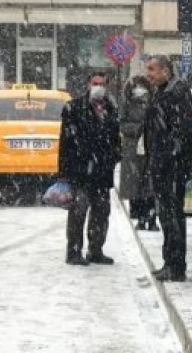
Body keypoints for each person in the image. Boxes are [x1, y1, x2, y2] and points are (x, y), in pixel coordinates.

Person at [58, 71, 121, 266]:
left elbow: (114, 138)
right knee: (79, 211)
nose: (98, 87)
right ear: (87, 84)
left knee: (102, 211)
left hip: (102, 171)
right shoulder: (74, 107)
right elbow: (66, 142)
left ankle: (96, 250)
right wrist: (64, 173)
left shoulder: (111, 108)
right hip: (80, 170)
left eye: (102, 84)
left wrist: (114, 156)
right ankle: (74, 251)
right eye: (95, 83)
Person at [144, 55, 192, 282]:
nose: (149, 74)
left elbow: (180, 131)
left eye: (152, 70)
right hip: (161, 163)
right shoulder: (160, 92)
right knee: (165, 215)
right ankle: (169, 261)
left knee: (173, 215)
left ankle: (176, 266)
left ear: (165, 70)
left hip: (173, 166)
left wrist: (168, 158)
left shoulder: (178, 92)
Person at [120, 75, 157, 231]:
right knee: (135, 185)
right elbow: (122, 124)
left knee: (150, 184)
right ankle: (140, 218)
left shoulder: (154, 102)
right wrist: (137, 129)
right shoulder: (127, 103)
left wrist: (149, 128)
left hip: (151, 147)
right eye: (136, 86)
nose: (139, 89)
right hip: (132, 149)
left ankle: (152, 218)